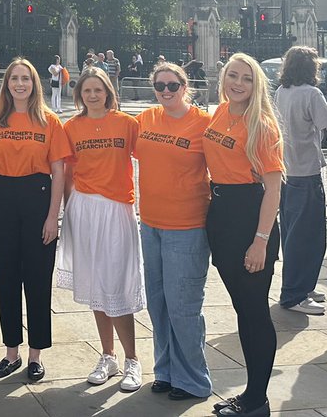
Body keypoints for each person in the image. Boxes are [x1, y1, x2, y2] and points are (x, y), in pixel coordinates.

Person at [0, 58, 70, 382]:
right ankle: (11, 352)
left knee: (37, 281)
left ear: (34, 84)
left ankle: (35, 355)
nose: (19, 84)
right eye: (14, 78)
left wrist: (52, 217)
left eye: (25, 79)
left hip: (37, 199)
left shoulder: (49, 121)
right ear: (7, 84)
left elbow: (59, 171)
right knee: (6, 280)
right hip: (1, 200)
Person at [202, 53, 283, 417]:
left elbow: (273, 189)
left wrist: (261, 239)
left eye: (246, 79)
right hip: (221, 215)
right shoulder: (219, 112)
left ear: (257, 84)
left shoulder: (262, 125)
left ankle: (256, 399)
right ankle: (253, 396)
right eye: (232, 75)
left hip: (251, 218)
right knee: (242, 308)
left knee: (254, 312)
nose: (238, 83)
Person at [58, 66, 143, 392]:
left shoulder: (127, 124)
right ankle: (107, 355)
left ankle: (132, 359)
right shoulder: (72, 127)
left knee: (117, 285)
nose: (93, 95)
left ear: (108, 91)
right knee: (95, 285)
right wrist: (68, 215)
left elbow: (150, 157)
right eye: (87, 90)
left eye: (99, 89)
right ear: (79, 95)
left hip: (117, 209)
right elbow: (67, 172)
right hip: (83, 208)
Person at [134, 62, 212, 401]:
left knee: (184, 306)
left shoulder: (204, 124)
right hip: (150, 224)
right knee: (158, 303)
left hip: (188, 227)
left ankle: (193, 379)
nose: (166, 91)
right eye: (160, 86)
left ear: (185, 86)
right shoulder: (145, 120)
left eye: (173, 85)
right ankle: (165, 370)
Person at [275, 46, 327, 317]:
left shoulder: (281, 92)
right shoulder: (312, 94)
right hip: (307, 171)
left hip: (284, 172)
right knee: (310, 237)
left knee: (291, 234)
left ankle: (301, 286)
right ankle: (295, 293)